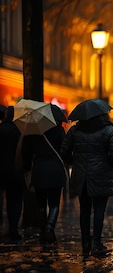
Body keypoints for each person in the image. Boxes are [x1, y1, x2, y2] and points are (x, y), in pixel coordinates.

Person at [60, 106, 113, 255]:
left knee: (85, 210)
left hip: (81, 175)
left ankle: (85, 242)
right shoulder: (108, 130)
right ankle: (97, 242)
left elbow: (64, 151)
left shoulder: (74, 130)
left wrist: (75, 162)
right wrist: (108, 164)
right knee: (99, 209)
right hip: (101, 173)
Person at [21, 104, 67, 243]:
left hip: (39, 171)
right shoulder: (59, 131)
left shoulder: (32, 132)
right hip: (55, 171)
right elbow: (64, 150)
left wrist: (27, 168)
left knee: (41, 202)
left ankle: (43, 226)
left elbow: (26, 152)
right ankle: (49, 227)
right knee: (54, 203)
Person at [0, 106, 24, 241]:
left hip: (1, 170)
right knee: (16, 200)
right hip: (16, 169)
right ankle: (13, 228)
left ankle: (5, 225)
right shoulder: (20, 131)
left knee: (5, 199)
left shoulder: (1, 130)